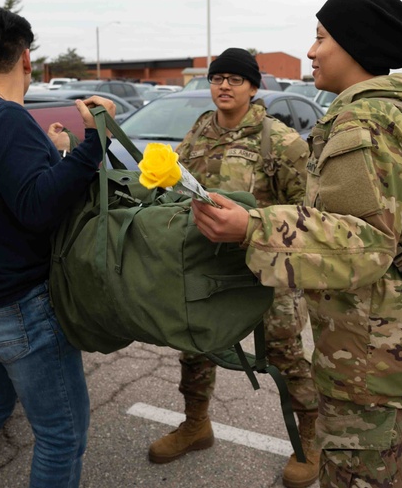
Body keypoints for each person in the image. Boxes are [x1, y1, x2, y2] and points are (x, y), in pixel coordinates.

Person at [189, 0, 402, 488]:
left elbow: (364, 242)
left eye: (321, 38)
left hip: (377, 366)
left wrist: (251, 227)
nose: (312, 51)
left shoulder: (362, 125)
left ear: (356, 45)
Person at [0, 5, 115, 488]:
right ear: (27, 59)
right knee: (63, 435)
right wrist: (93, 142)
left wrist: (55, 156)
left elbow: (8, 196)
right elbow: (36, 209)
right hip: (18, 306)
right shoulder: (9, 118)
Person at [147, 47, 320, 488]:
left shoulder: (281, 142)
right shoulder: (200, 131)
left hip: (266, 268)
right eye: (217, 78)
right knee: (196, 346)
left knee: (286, 357)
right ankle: (196, 425)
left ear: (253, 87)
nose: (224, 85)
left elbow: (308, 213)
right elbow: (178, 183)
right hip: (208, 265)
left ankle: (313, 441)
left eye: (235, 79)